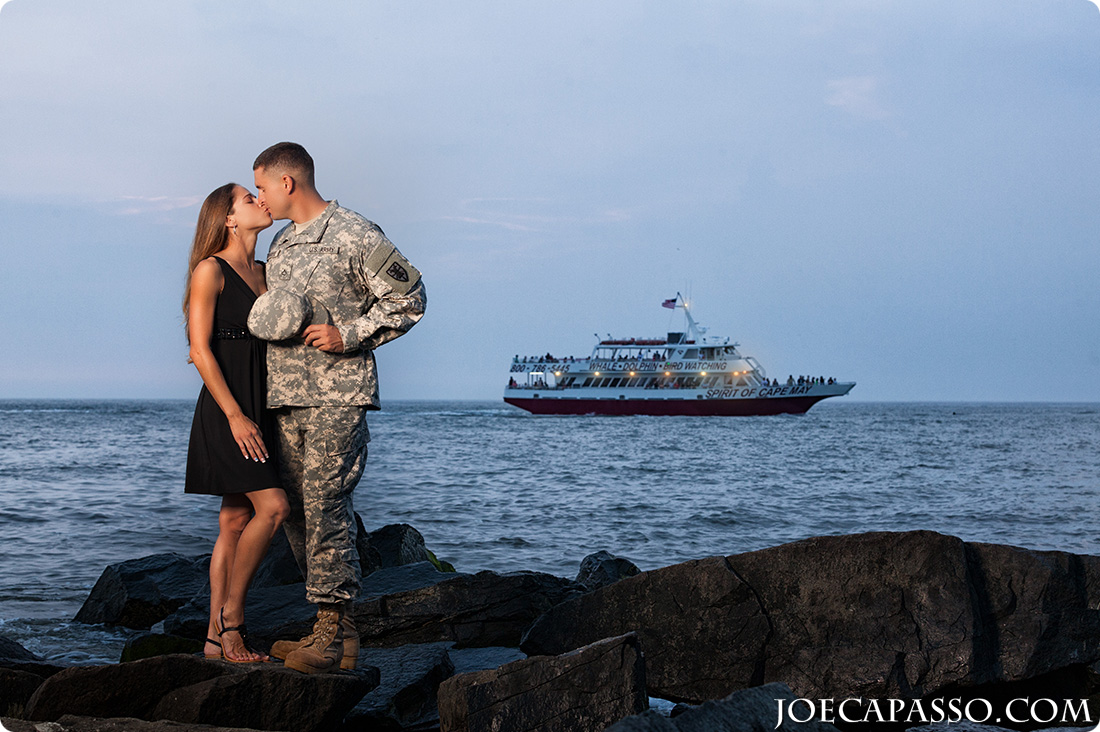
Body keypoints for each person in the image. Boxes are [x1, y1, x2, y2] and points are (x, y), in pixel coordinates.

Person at [249, 142, 426, 674]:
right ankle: (338, 631)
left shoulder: (356, 233)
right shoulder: (280, 244)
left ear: (287, 182)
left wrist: (348, 333)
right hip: (285, 396)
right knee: (298, 514)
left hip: (337, 394)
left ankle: (329, 632)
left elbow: (410, 298)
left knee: (327, 503)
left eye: (261, 186)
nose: (259, 196)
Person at [183, 183, 291, 663]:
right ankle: (233, 623)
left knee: (233, 520)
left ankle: (211, 639)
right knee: (273, 508)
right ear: (227, 219)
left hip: (262, 406)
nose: (260, 202)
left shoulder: (267, 274)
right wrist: (235, 416)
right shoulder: (211, 270)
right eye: (250, 199)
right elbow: (199, 350)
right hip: (228, 410)